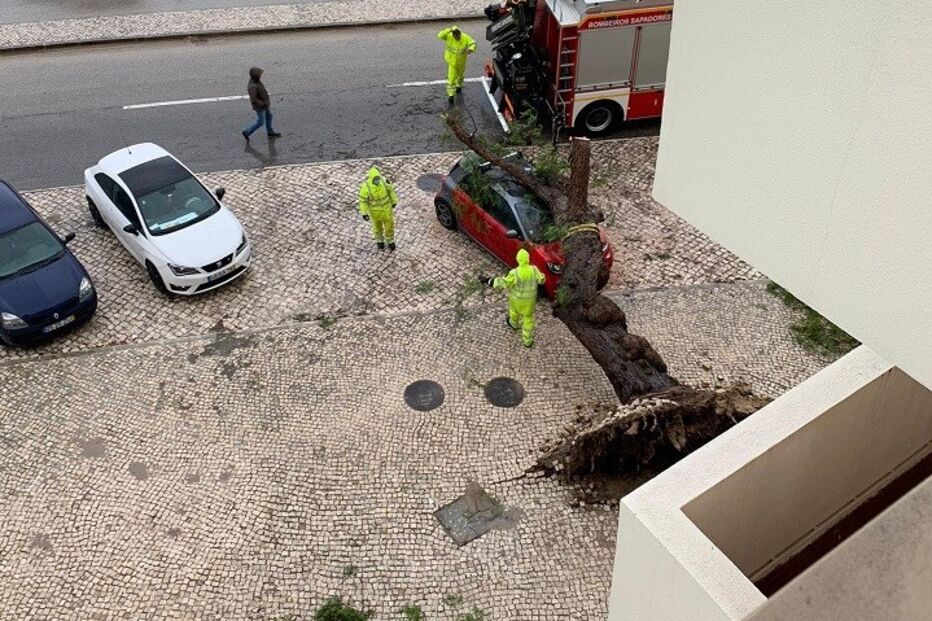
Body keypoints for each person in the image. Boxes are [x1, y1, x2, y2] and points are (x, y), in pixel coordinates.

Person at [485, 248, 546, 347]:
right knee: (528, 319)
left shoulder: (515, 273)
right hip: (529, 302)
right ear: (528, 259)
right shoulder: (534, 270)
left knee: (513, 312)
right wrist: (542, 276)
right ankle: (527, 340)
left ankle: (513, 324)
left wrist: (490, 281)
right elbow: (542, 280)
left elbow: (505, 282)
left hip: (516, 300)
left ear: (518, 259)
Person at [358, 166, 399, 251]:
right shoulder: (366, 187)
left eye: (378, 178)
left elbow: (390, 190)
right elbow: (363, 201)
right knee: (377, 228)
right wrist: (364, 213)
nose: (377, 180)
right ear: (372, 178)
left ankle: (390, 241)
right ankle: (379, 241)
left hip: (387, 211)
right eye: (375, 179)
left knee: (389, 227)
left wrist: (394, 201)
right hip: (375, 213)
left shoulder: (384, 182)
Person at [437, 26, 477, 105]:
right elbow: (440, 35)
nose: (456, 38)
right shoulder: (448, 36)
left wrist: (470, 49)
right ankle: (451, 95)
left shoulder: (465, 37)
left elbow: (473, 43)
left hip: (461, 62)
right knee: (451, 78)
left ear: (460, 34)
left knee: (460, 75)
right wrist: (449, 30)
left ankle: (459, 85)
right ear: (453, 34)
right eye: (455, 36)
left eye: (458, 36)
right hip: (451, 62)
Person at [243, 67, 281, 141]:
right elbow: (253, 99)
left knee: (269, 116)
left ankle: (270, 131)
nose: (261, 76)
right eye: (259, 75)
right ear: (256, 76)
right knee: (260, 122)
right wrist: (262, 104)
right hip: (260, 106)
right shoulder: (252, 86)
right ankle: (247, 132)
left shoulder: (256, 81)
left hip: (264, 104)